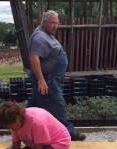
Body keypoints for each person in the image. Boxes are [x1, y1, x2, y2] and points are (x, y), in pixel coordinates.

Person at [27, 10, 85, 141]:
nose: (55, 26)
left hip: (51, 77)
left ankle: (20, 124)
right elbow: (33, 58)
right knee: (57, 103)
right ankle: (68, 131)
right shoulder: (39, 37)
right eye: (52, 23)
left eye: (57, 23)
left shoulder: (46, 33)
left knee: (35, 103)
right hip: (48, 79)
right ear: (44, 22)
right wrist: (41, 80)